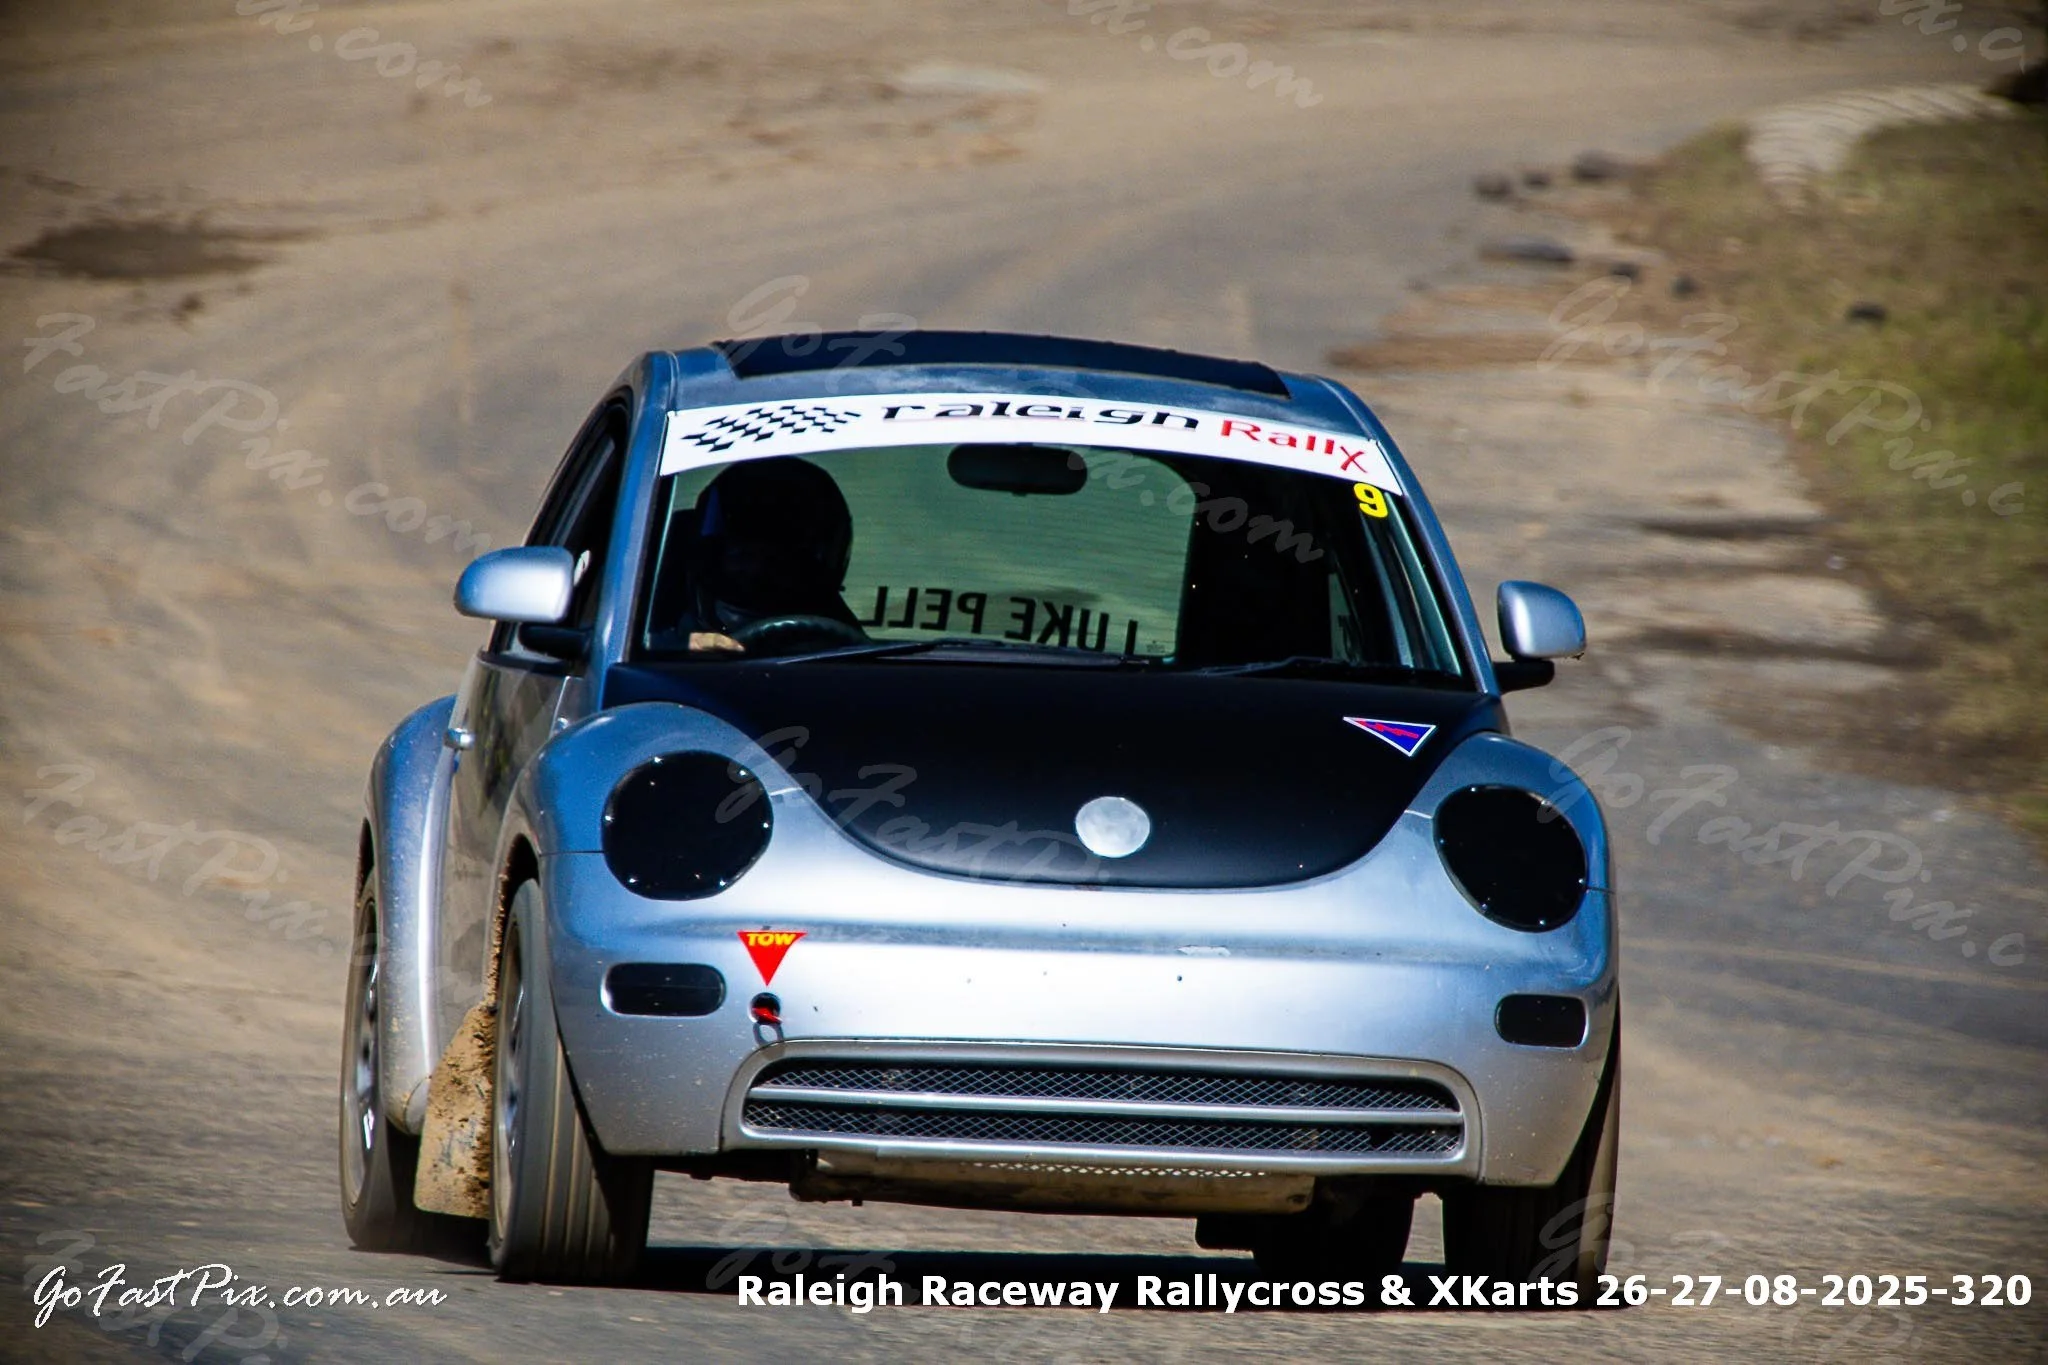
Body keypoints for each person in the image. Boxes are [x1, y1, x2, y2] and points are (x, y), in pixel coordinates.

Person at [670, 457, 864, 654]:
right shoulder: (671, 622)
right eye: (743, 553)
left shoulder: (836, 629)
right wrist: (680, 649)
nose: (756, 568)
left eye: (776, 556)